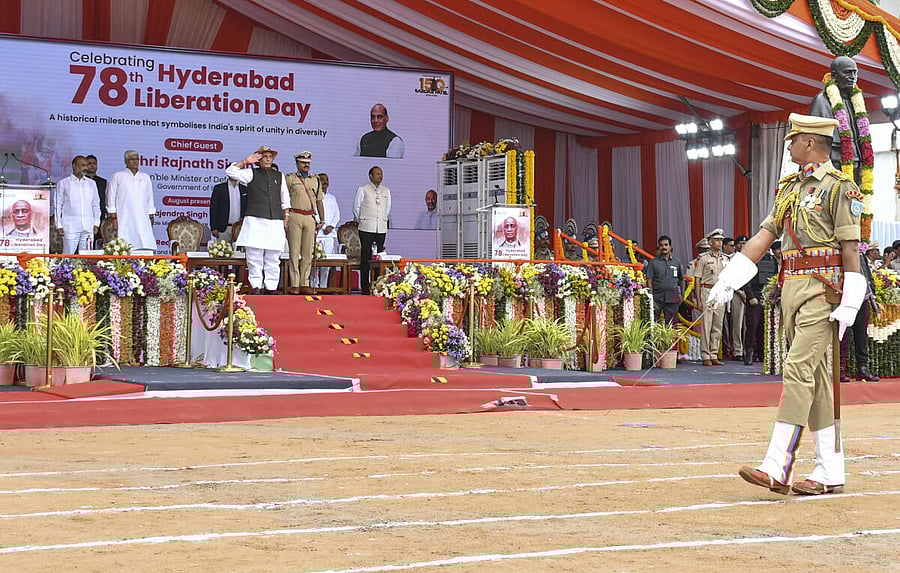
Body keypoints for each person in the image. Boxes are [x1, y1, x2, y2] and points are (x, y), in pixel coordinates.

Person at [709, 113, 864, 496]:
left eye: (793, 139)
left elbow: (850, 248)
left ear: (811, 142)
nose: (788, 145)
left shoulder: (839, 188)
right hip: (791, 289)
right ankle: (830, 469)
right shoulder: (790, 189)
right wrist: (730, 277)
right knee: (815, 381)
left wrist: (851, 301)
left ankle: (777, 464)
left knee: (796, 369)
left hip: (822, 290)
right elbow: (765, 235)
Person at [225, 145, 290, 295]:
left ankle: (271, 286)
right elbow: (230, 171)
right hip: (255, 220)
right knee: (255, 256)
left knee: (273, 256)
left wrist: (286, 217)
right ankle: (256, 286)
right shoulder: (250, 173)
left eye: (270, 156)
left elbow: (285, 199)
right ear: (258, 159)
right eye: (264, 156)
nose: (267, 159)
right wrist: (245, 161)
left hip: (275, 220)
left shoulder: (279, 176)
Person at [810, 56, 862, 170]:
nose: (852, 77)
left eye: (855, 73)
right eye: (848, 73)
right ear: (834, 75)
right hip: (834, 160)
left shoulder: (856, 101)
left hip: (857, 160)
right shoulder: (821, 100)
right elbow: (814, 138)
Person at [284, 151, 325, 295]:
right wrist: (285, 217)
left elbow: (319, 200)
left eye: (308, 163)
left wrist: (322, 219)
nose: (306, 165)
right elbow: (283, 198)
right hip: (295, 215)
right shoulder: (290, 178)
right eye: (303, 162)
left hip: (310, 217)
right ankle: (294, 284)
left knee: (308, 252)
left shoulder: (316, 180)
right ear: (297, 164)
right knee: (294, 252)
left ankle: (305, 283)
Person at [840, 242, 879, 382]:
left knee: (861, 335)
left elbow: (868, 276)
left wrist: (872, 295)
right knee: (844, 335)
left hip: (862, 297)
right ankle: (840, 369)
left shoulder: (860, 254)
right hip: (844, 297)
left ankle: (862, 369)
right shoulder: (839, 252)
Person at [106, 150, 156, 251]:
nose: (135, 161)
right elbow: (111, 196)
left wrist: (151, 213)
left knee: (144, 242)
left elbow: (150, 197)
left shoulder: (145, 177)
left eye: (137, 159)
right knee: (126, 242)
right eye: (132, 159)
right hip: (124, 215)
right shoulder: (118, 176)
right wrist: (113, 215)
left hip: (142, 216)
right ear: (126, 161)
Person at [353, 166, 391, 295]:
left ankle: (378, 285)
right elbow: (356, 208)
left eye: (381, 174)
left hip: (380, 227)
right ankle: (364, 286)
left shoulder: (386, 191)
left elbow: (387, 209)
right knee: (366, 257)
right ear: (370, 175)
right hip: (366, 227)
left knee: (379, 257)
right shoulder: (363, 189)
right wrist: (364, 220)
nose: (380, 176)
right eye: (377, 174)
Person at [692, 227, 726, 366]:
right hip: (707, 291)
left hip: (720, 293)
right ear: (710, 242)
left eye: (721, 240)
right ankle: (705, 355)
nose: (720, 243)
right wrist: (699, 299)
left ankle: (714, 353)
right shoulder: (704, 258)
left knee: (718, 324)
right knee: (707, 324)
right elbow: (697, 279)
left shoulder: (725, 259)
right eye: (717, 240)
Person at [742, 241, 779, 365]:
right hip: (755, 297)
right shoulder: (752, 260)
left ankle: (762, 354)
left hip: (768, 297)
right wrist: (750, 296)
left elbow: (776, 278)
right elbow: (745, 280)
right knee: (752, 326)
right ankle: (749, 353)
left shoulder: (773, 260)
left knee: (765, 328)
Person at [55, 155, 100, 254]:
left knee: (87, 258)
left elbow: (95, 204)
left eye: (86, 165)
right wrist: (58, 225)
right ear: (75, 166)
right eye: (83, 165)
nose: (86, 168)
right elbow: (58, 205)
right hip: (70, 226)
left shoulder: (91, 183)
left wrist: (96, 223)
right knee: (68, 256)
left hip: (88, 226)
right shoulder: (64, 183)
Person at [646, 235, 685, 324]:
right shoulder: (653, 262)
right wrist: (651, 297)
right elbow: (649, 281)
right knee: (654, 323)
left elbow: (682, 280)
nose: (663, 247)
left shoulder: (677, 262)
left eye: (666, 245)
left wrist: (682, 295)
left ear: (670, 247)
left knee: (672, 325)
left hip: (673, 297)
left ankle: (672, 339)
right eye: (661, 245)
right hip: (657, 298)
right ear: (659, 247)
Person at [314, 172, 340, 289]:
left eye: (326, 179)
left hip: (329, 235)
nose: (325, 181)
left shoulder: (332, 198)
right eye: (322, 179)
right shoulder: (313, 196)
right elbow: (314, 213)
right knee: (315, 262)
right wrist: (323, 226)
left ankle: (323, 287)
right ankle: (314, 285)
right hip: (317, 233)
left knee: (327, 262)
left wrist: (331, 226)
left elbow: (337, 215)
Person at [209, 176, 248, 243]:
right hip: (223, 229)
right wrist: (214, 227)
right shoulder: (219, 188)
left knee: (240, 252)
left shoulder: (244, 189)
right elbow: (214, 209)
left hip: (240, 229)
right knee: (222, 252)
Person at [731, 234, 750, 361]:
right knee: (737, 323)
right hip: (737, 292)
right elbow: (730, 277)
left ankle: (746, 349)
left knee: (747, 324)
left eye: (745, 243)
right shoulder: (733, 259)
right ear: (736, 245)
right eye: (740, 244)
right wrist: (740, 291)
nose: (743, 246)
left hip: (749, 293)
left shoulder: (751, 257)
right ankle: (737, 350)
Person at [84, 154, 107, 245]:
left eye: (94, 163)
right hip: (85, 216)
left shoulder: (103, 182)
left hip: (99, 217)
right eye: (89, 163)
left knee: (98, 243)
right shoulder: (82, 181)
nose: (92, 165)